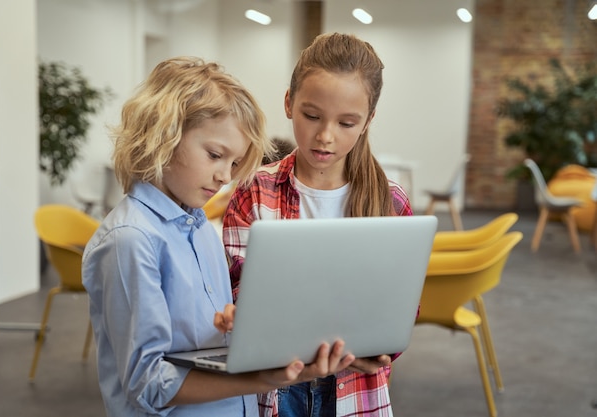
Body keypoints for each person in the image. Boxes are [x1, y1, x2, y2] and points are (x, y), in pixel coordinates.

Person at [82, 57, 356, 417]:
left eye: (234, 163)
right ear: (163, 134)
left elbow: (206, 341)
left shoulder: (201, 230)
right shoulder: (130, 240)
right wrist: (263, 380)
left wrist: (243, 326)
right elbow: (147, 384)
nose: (223, 177)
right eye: (214, 155)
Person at [221, 33, 413, 417]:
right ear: (289, 102)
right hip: (276, 388)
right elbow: (236, 288)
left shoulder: (391, 202)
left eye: (347, 123)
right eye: (312, 116)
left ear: (368, 121)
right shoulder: (253, 192)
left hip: (355, 389)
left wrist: (381, 350)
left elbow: (402, 306)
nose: (325, 136)